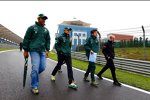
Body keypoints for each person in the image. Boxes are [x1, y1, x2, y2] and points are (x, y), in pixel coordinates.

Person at [23, 14, 50, 94]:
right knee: (35, 68)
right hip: (33, 50)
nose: (44, 20)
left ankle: (33, 75)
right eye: (42, 18)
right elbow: (26, 39)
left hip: (42, 51)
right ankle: (34, 86)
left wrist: (47, 50)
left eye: (45, 19)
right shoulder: (31, 28)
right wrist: (25, 50)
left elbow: (48, 40)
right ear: (38, 19)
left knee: (42, 67)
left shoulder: (46, 30)